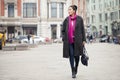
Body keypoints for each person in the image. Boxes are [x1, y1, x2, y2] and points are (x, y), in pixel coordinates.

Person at [62, 5, 86, 78]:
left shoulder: (80, 19)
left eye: (70, 9)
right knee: (71, 55)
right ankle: (73, 71)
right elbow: (63, 30)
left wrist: (84, 39)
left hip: (78, 41)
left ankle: (76, 67)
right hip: (69, 41)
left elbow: (82, 30)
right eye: (68, 10)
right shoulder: (66, 20)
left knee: (77, 56)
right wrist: (64, 38)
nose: (68, 11)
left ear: (74, 11)